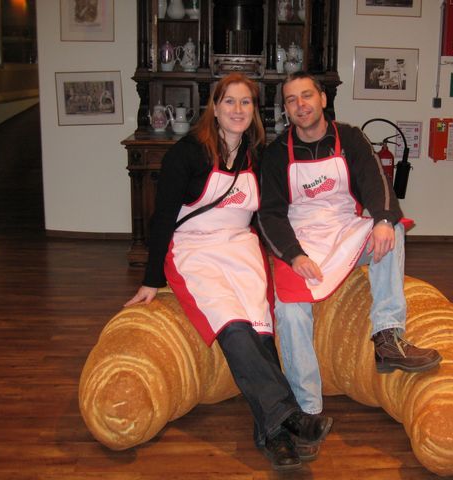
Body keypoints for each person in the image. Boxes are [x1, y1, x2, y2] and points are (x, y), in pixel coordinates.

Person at [125, 73, 332, 472]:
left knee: (261, 328)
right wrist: (151, 280)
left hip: (241, 250)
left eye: (246, 102)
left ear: (255, 110)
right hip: (195, 250)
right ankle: (290, 418)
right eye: (230, 102)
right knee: (233, 325)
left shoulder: (259, 155)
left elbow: (271, 212)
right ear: (215, 108)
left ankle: (274, 436)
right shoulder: (186, 153)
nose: (238, 110)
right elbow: (162, 217)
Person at [257, 72, 442, 454]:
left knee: (394, 230)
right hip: (302, 241)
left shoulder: (350, 138)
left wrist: (383, 219)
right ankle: (307, 410)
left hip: (346, 232)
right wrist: (293, 254)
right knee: (289, 312)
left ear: (322, 99)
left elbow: (376, 182)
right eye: (291, 100)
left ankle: (387, 337)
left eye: (307, 95)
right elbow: (269, 215)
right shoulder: (275, 154)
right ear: (286, 108)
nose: (301, 105)